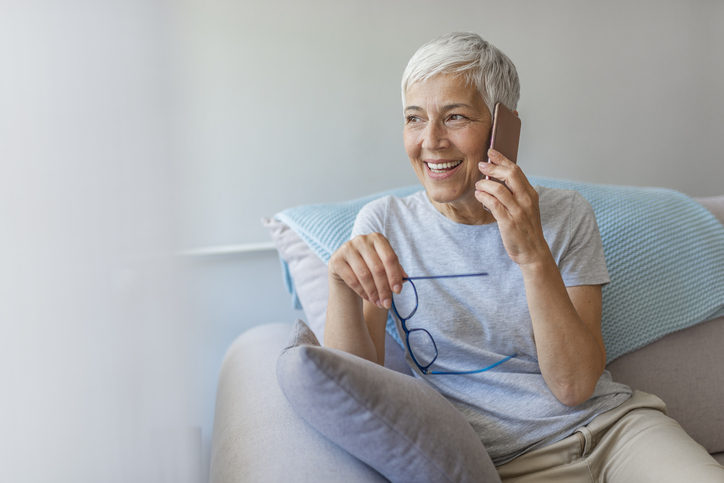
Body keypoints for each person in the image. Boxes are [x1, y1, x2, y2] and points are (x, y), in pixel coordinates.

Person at [323, 32, 724, 482]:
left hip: (617, 432)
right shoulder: (385, 224)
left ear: (503, 127)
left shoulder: (566, 214)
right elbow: (351, 386)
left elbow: (573, 386)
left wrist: (533, 255)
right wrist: (340, 287)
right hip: (505, 464)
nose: (431, 141)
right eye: (414, 119)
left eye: (455, 117)